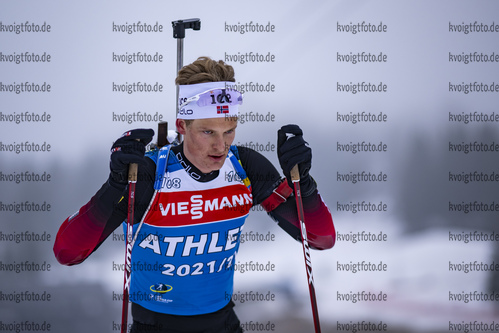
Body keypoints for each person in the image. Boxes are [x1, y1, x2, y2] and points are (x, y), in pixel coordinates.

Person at [53, 56, 335, 333]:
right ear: (182, 126)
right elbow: (67, 252)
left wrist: (305, 185)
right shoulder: (151, 174)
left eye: (229, 131)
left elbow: (322, 239)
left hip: (223, 323)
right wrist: (114, 185)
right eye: (207, 131)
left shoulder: (245, 166)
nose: (220, 146)